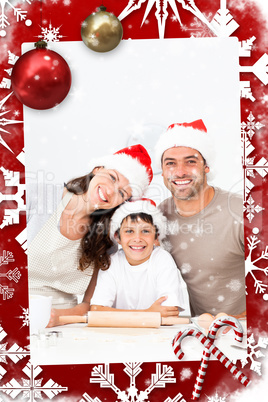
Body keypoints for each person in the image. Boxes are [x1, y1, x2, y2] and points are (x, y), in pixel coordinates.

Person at [27, 144, 153, 321]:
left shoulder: (107, 238)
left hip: (65, 322)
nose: (110, 190)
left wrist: (57, 317)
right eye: (112, 177)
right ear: (97, 169)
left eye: (122, 193)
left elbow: (90, 305)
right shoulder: (36, 197)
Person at [154, 119, 246, 318]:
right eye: (171, 163)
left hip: (251, 331)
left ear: (206, 166)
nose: (180, 172)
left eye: (191, 161)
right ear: (162, 171)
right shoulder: (158, 218)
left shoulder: (242, 212)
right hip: (201, 334)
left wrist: (234, 322)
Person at [90, 198, 186, 316]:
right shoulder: (112, 263)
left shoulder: (163, 260)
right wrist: (147, 313)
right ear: (117, 237)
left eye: (145, 231)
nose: (137, 238)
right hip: (117, 333)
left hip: (155, 333)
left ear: (156, 236)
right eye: (129, 231)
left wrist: (117, 315)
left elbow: (169, 313)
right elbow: (96, 311)